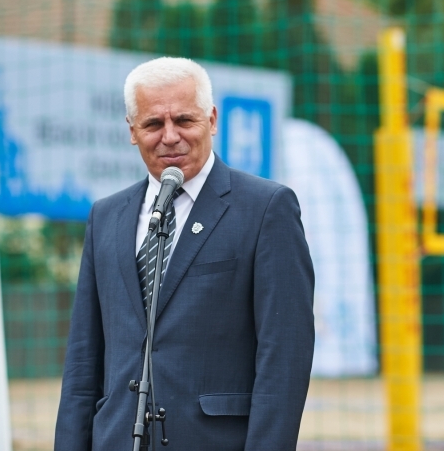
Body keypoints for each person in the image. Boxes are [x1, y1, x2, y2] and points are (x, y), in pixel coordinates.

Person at [54, 57, 315, 451]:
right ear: (132, 131)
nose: (170, 136)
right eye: (153, 124)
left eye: (184, 120)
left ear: (211, 120)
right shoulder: (105, 216)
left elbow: (285, 357)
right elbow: (82, 363)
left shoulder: (265, 209)